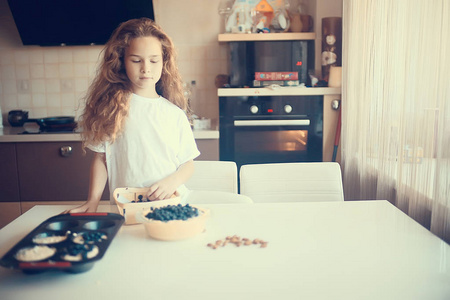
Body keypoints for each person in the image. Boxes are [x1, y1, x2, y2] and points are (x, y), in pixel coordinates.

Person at [65, 18, 200, 213]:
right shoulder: (111, 109)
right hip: (127, 208)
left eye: (154, 60)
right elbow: (101, 159)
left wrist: (172, 182)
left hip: (170, 204)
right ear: (121, 61)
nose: (146, 68)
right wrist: (92, 201)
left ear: (164, 63)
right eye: (136, 60)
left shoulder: (174, 114)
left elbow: (188, 165)